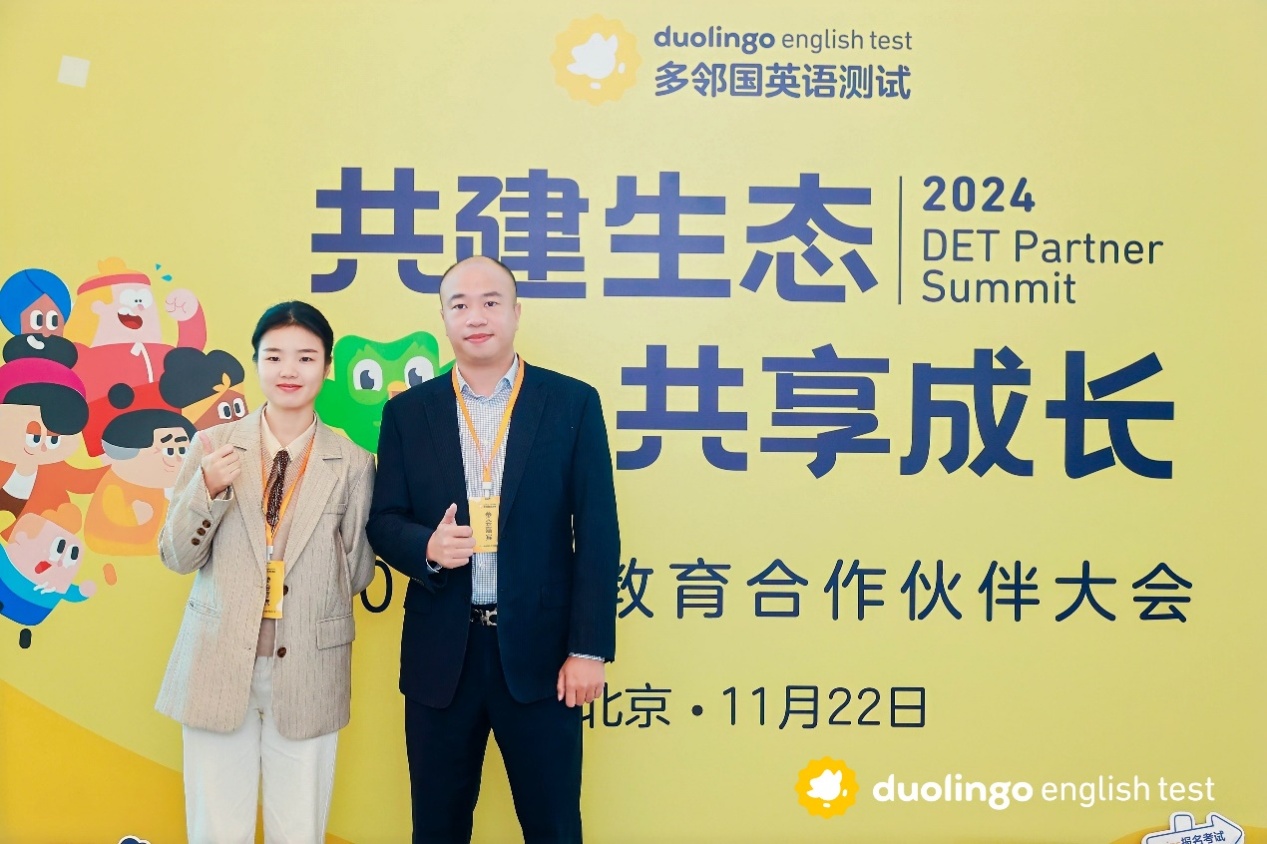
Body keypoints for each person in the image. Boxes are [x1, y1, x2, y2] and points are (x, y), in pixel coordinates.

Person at [367, 256, 619, 844]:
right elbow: (383, 521)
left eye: (489, 302)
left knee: (554, 826)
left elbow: (598, 533)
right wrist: (428, 546)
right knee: (437, 828)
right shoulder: (407, 413)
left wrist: (588, 648)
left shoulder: (572, 403)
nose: (475, 317)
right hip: (441, 659)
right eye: (459, 305)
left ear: (515, 312)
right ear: (444, 317)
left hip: (542, 659)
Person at [155, 301, 376, 844]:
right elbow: (176, 556)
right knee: (215, 828)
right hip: (217, 660)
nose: (289, 370)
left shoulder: (352, 462)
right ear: (255, 362)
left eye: (305, 357)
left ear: (327, 366)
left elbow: (357, 572)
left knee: (298, 828)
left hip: (310, 667)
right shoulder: (212, 446)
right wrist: (207, 490)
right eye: (274, 356)